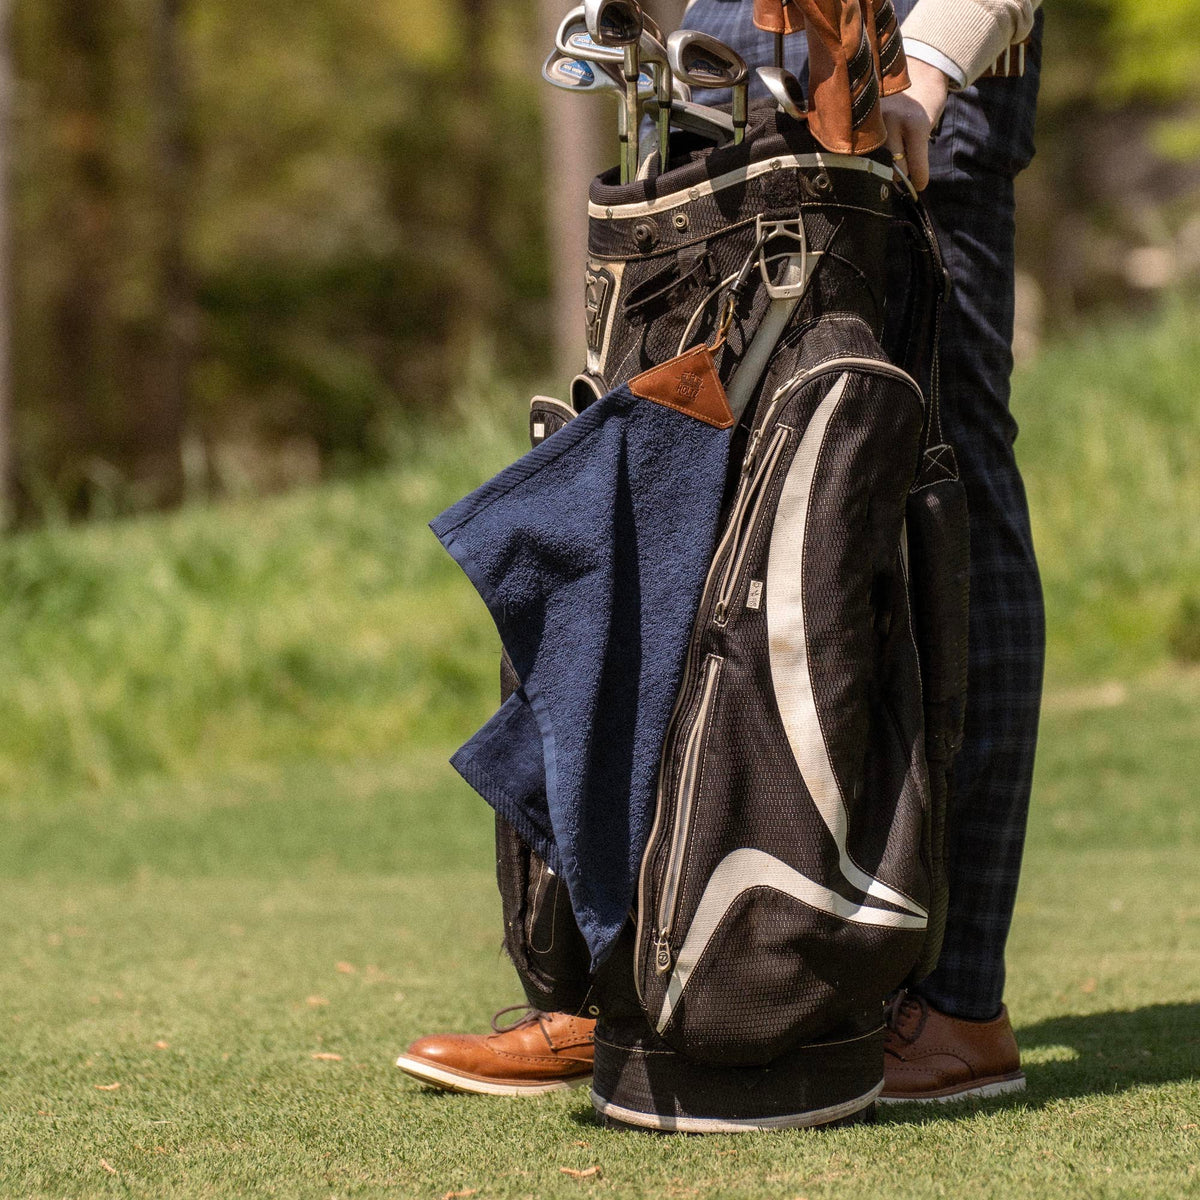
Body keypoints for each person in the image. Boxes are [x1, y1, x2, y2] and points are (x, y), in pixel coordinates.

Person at [397, 0, 1046, 1103]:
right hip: (706, 88)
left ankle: (955, 1002)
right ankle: (629, 968)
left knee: (941, 484)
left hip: (906, 80)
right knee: (675, 485)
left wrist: (927, 69)